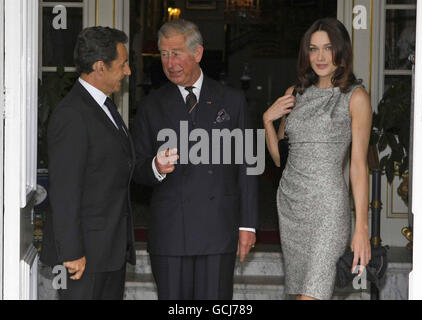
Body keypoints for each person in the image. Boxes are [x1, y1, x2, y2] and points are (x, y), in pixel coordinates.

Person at [132, 19, 258, 300]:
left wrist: (247, 224)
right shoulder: (151, 105)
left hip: (218, 229)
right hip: (170, 232)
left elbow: (249, 164)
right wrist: (155, 166)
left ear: (198, 53)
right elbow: (136, 167)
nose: (170, 62)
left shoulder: (232, 100)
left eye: (176, 53)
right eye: (163, 54)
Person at [263, 18, 372, 300]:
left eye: (328, 48)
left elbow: (358, 166)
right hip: (291, 205)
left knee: (311, 295)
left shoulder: (355, 97)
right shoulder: (294, 94)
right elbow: (280, 159)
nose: (320, 57)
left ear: (341, 52)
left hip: (328, 209)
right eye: (313, 49)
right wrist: (267, 121)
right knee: (303, 292)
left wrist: (361, 226)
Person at [40, 26, 136, 300]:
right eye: (123, 64)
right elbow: (65, 190)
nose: (128, 71)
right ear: (99, 67)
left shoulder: (105, 106)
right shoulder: (72, 115)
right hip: (83, 258)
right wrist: (72, 253)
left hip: (109, 252)